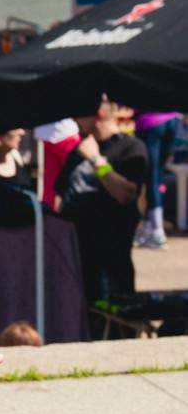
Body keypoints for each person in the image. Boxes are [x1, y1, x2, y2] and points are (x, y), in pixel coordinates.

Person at [54, 98, 147, 309]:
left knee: (114, 325)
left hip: (112, 257)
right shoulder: (79, 150)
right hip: (77, 257)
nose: (74, 120)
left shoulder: (130, 148)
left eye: (79, 115)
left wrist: (97, 161)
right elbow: (60, 195)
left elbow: (126, 193)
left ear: (98, 116)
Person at [133, 109, 181, 249]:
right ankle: (150, 227)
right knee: (158, 177)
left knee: (152, 177)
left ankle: (157, 231)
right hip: (172, 120)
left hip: (150, 122)